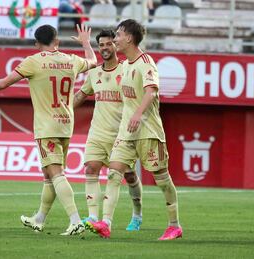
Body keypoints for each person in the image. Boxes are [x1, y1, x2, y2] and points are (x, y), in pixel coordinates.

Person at [0, 24, 97, 235]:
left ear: (37, 44)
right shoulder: (71, 60)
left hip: (46, 126)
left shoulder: (34, 61)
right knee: (49, 174)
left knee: (56, 173)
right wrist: (86, 42)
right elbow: (94, 62)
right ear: (57, 41)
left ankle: (76, 220)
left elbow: (5, 83)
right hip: (65, 124)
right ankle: (39, 219)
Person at [86, 19, 182, 241]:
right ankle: (106, 223)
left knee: (162, 178)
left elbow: (151, 91)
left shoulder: (146, 63)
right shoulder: (126, 65)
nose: (115, 39)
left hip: (148, 131)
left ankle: (174, 225)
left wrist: (138, 114)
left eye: (118, 35)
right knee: (113, 172)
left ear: (128, 38)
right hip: (126, 133)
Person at [73, 29, 143, 231]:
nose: (104, 48)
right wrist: (64, 110)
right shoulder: (94, 72)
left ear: (116, 45)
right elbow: (80, 95)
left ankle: (137, 214)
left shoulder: (127, 70)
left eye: (108, 44)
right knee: (91, 169)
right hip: (97, 132)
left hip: (122, 134)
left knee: (126, 176)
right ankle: (95, 217)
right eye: (101, 45)